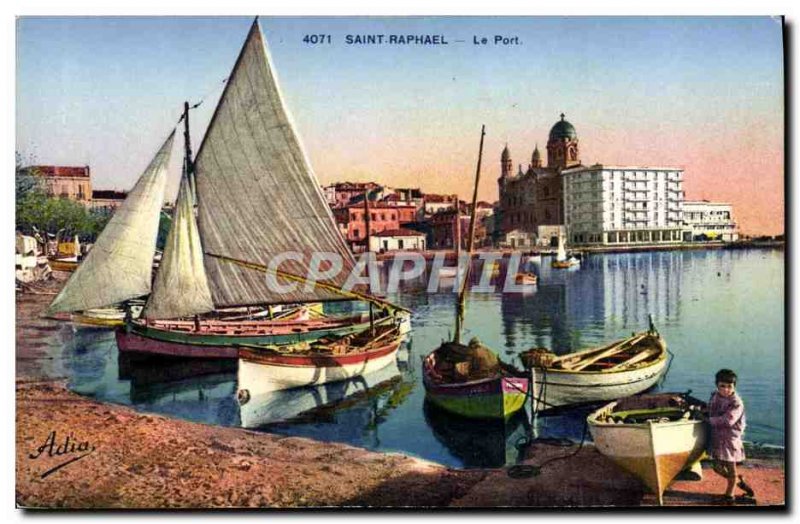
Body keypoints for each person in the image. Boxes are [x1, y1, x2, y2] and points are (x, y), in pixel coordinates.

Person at [707, 369, 755, 503]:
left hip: (730, 440)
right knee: (716, 467)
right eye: (722, 386)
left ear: (734, 386)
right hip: (717, 437)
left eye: (729, 386)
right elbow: (710, 408)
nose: (726, 389)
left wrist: (708, 420)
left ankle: (729, 496)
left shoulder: (736, 402)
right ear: (717, 385)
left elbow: (728, 421)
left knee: (730, 467)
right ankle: (739, 481)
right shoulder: (715, 395)